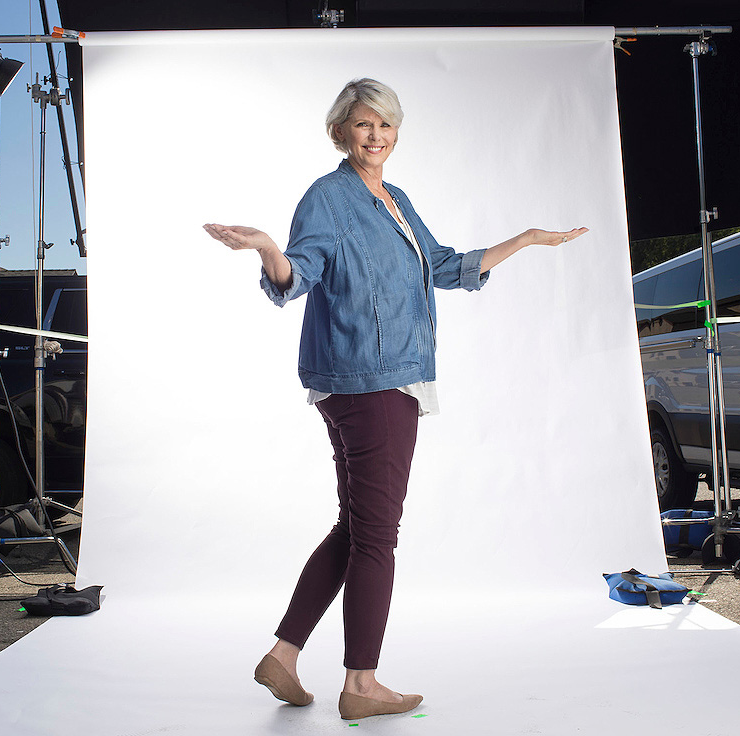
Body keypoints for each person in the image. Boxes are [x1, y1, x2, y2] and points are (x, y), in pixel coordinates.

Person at [203, 78, 587, 721]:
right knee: (378, 537)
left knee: (356, 528)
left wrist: (521, 241)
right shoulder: (328, 198)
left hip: (382, 379)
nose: (376, 136)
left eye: (385, 125)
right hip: (368, 381)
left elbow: (438, 265)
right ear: (341, 132)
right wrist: (270, 249)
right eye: (363, 125)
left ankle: (285, 653)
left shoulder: (394, 199)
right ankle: (361, 682)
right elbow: (300, 273)